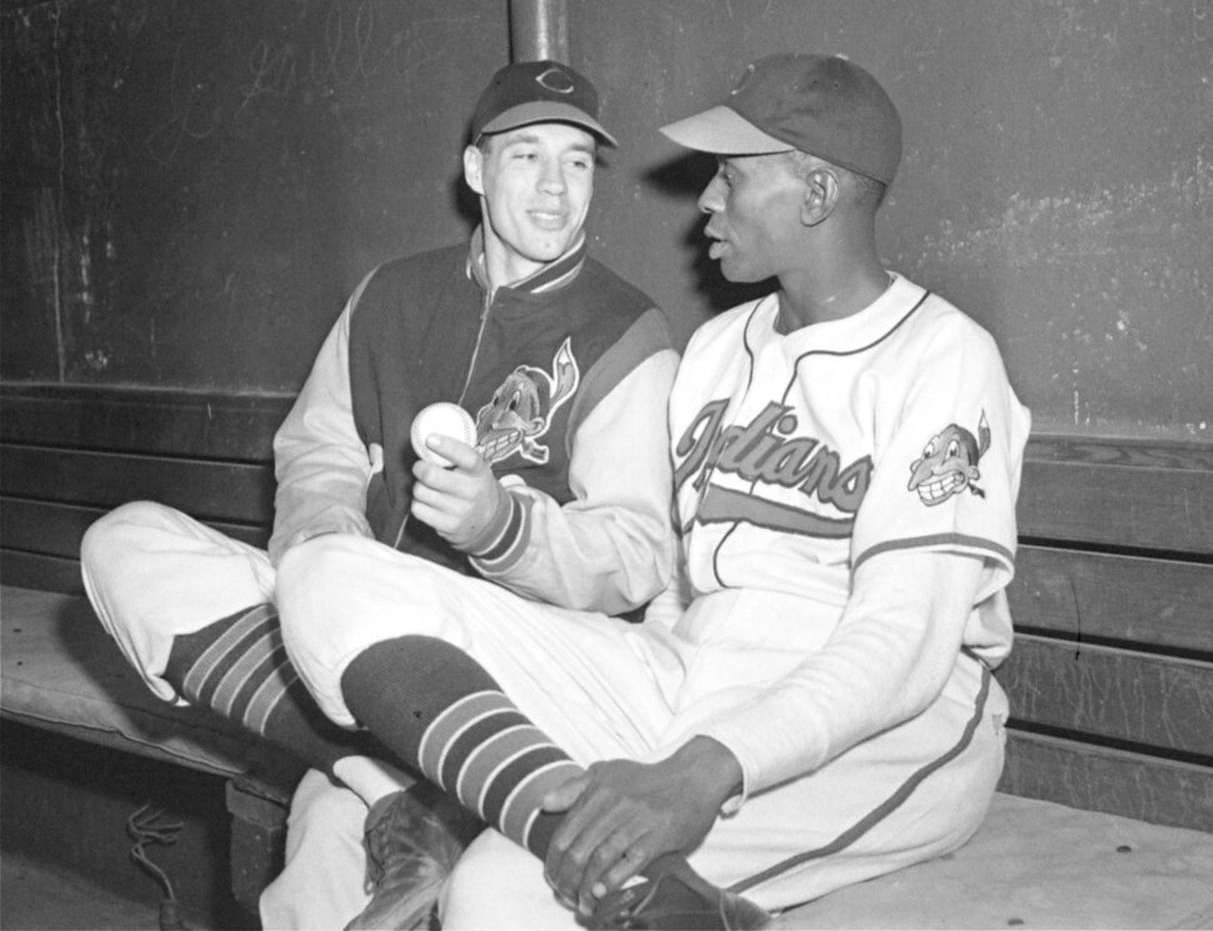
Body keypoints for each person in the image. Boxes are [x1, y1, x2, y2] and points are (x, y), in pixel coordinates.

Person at [275, 52, 1031, 930]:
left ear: (817, 195)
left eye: (733, 176)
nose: (707, 199)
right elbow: (676, 583)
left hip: (891, 725)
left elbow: (903, 644)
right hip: (697, 681)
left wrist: (699, 769)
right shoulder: (718, 349)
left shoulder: (942, 357)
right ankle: (412, 790)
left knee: (499, 893)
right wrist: (646, 723)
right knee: (327, 578)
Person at [80, 60, 680, 930]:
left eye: (578, 161)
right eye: (527, 157)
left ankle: (401, 789)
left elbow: (634, 555)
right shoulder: (392, 293)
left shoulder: (625, 330)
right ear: (476, 170)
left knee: (323, 872)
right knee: (123, 545)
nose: (556, 189)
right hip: (357, 649)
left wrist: (501, 526)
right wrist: (328, 539)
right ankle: (393, 789)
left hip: (509, 667)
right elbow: (319, 446)